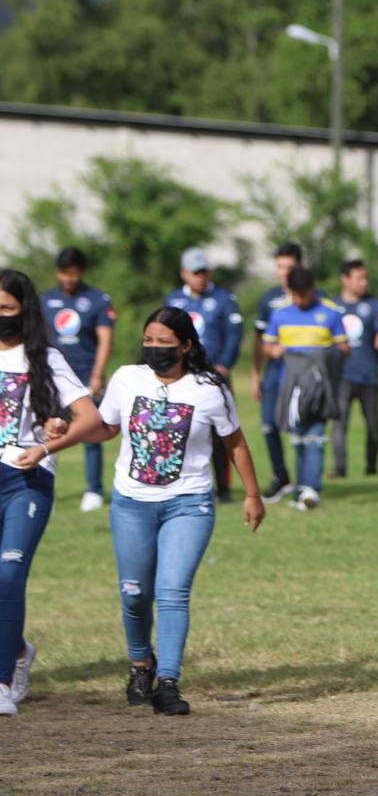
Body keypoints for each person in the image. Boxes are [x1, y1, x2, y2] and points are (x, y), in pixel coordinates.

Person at [67, 307, 265, 716]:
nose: (154, 349)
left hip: (189, 502)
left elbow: (235, 443)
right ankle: (141, 665)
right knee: (135, 594)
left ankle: (168, 683)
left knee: (172, 592)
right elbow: (105, 428)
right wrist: (60, 433)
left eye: (164, 343)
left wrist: (252, 494)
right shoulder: (127, 379)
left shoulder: (209, 388)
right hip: (131, 503)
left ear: (186, 345)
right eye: (149, 341)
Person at [0, 269, 103, 716]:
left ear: (24, 311)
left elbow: (91, 420)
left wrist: (48, 444)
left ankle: (3, 680)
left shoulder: (45, 359)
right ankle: (19, 649)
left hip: (27, 480)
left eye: (4, 309)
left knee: (8, 576)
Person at [263, 267, 349, 510]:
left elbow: (345, 349)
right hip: (291, 388)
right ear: (289, 291)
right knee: (298, 439)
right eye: (296, 295)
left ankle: (312, 488)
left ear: (313, 290)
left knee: (316, 436)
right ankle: (301, 488)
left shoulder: (330, 313)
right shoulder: (280, 315)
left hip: (321, 388)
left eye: (305, 295)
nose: (301, 300)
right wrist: (275, 351)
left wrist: (322, 357)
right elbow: (267, 347)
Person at [165, 248, 244, 502]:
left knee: (223, 432)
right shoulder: (174, 300)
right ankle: (183, 485)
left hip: (215, 375)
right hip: (183, 377)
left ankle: (224, 488)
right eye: (195, 273)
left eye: (204, 272)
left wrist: (224, 365)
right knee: (181, 430)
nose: (201, 277)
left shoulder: (223, 298)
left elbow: (234, 335)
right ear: (184, 273)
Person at [39, 247, 114, 512]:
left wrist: (97, 374)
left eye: (72, 273)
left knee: (89, 430)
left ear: (81, 272)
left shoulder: (97, 299)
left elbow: (105, 340)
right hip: (52, 379)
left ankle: (94, 489)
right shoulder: (45, 300)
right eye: (63, 272)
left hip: (84, 376)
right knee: (47, 429)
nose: (67, 278)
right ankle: (41, 482)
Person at [251, 242, 304, 503]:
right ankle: (281, 476)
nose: (283, 272)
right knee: (268, 426)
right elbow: (258, 340)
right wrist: (254, 374)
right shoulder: (269, 299)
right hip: (273, 374)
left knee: (298, 428)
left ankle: (304, 482)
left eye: (289, 267)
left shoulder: (311, 297)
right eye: (280, 266)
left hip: (302, 375)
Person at [329, 259, 378, 478]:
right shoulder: (333, 307)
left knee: (373, 426)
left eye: (365, 278)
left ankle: (371, 467)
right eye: (359, 278)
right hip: (342, 375)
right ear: (345, 279)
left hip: (369, 375)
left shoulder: (374, 304)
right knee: (339, 424)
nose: (364, 282)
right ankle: (340, 469)